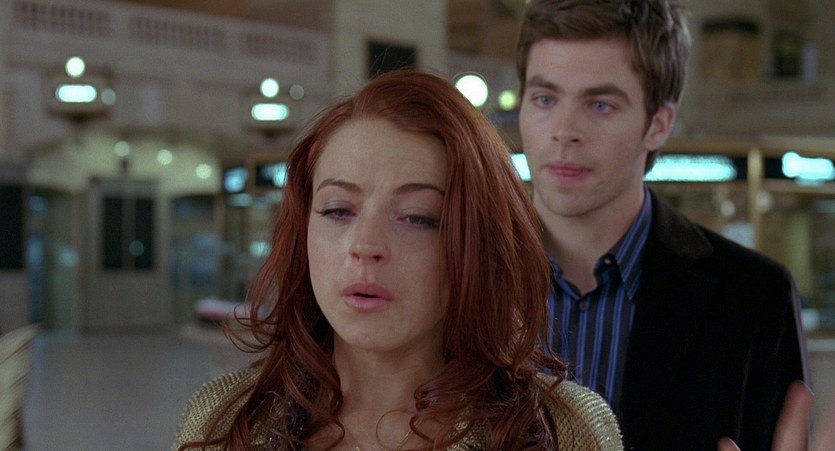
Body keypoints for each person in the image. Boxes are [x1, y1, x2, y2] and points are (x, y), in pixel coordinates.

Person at [173, 70, 623, 450]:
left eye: (417, 217)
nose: (365, 245)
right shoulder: (224, 422)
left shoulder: (562, 430)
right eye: (338, 210)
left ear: (478, 245)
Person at [515, 0, 809, 449]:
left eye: (600, 104)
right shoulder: (458, 268)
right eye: (545, 99)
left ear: (658, 124)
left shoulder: (753, 298)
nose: (564, 129)